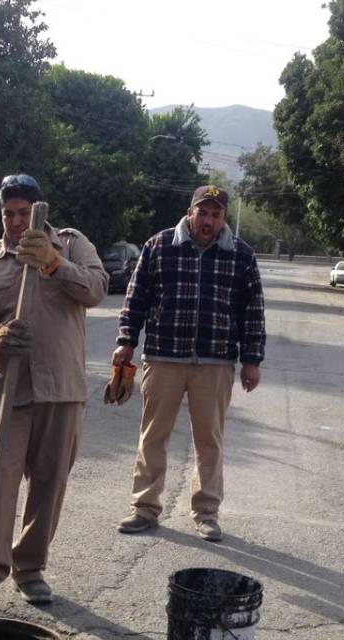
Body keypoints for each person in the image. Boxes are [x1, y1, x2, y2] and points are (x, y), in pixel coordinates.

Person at [0, 174, 107, 614]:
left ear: (40, 211)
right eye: (8, 213)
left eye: (23, 213)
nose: (16, 222)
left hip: (61, 389)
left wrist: (54, 264)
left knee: (49, 483)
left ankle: (30, 567)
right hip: (6, 391)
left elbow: (96, 289)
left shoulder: (73, 245)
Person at [112, 185, 266, 542]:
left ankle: (206, 513)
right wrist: (125, 342)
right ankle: (144, 508)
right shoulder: (159, 246)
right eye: (203, 213)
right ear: (190, 212)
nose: (209, 221)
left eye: (216, 214)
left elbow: (252, 312)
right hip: (164, 356)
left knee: (209, 441)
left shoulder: (241, 255)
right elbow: (136, 300)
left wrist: (252, 361)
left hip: (215, 362)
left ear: (224, 218)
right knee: (153, 436)